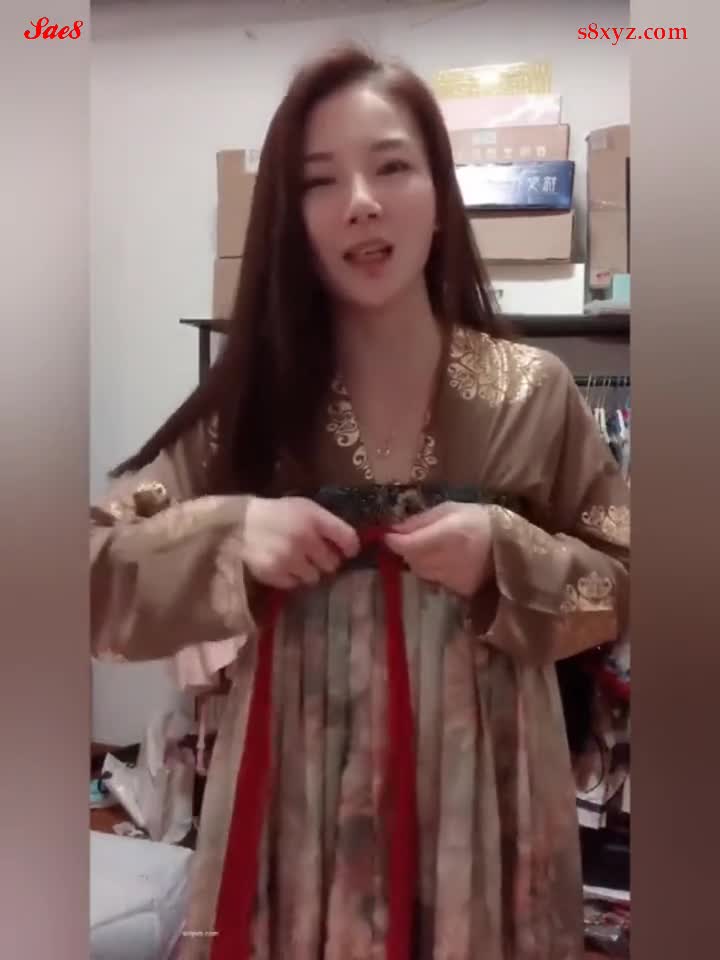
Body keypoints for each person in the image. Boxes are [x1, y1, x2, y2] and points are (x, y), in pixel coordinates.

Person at [90, 44, 630, 960]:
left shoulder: (529, 394)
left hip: (488, 806)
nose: (362, 202)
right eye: (320, 180)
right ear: (289, 216)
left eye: (391, 167)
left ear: (439, 192)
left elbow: (627, 575)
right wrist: (230, 534)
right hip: (296, 810)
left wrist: (505, 554)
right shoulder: (253, 409)